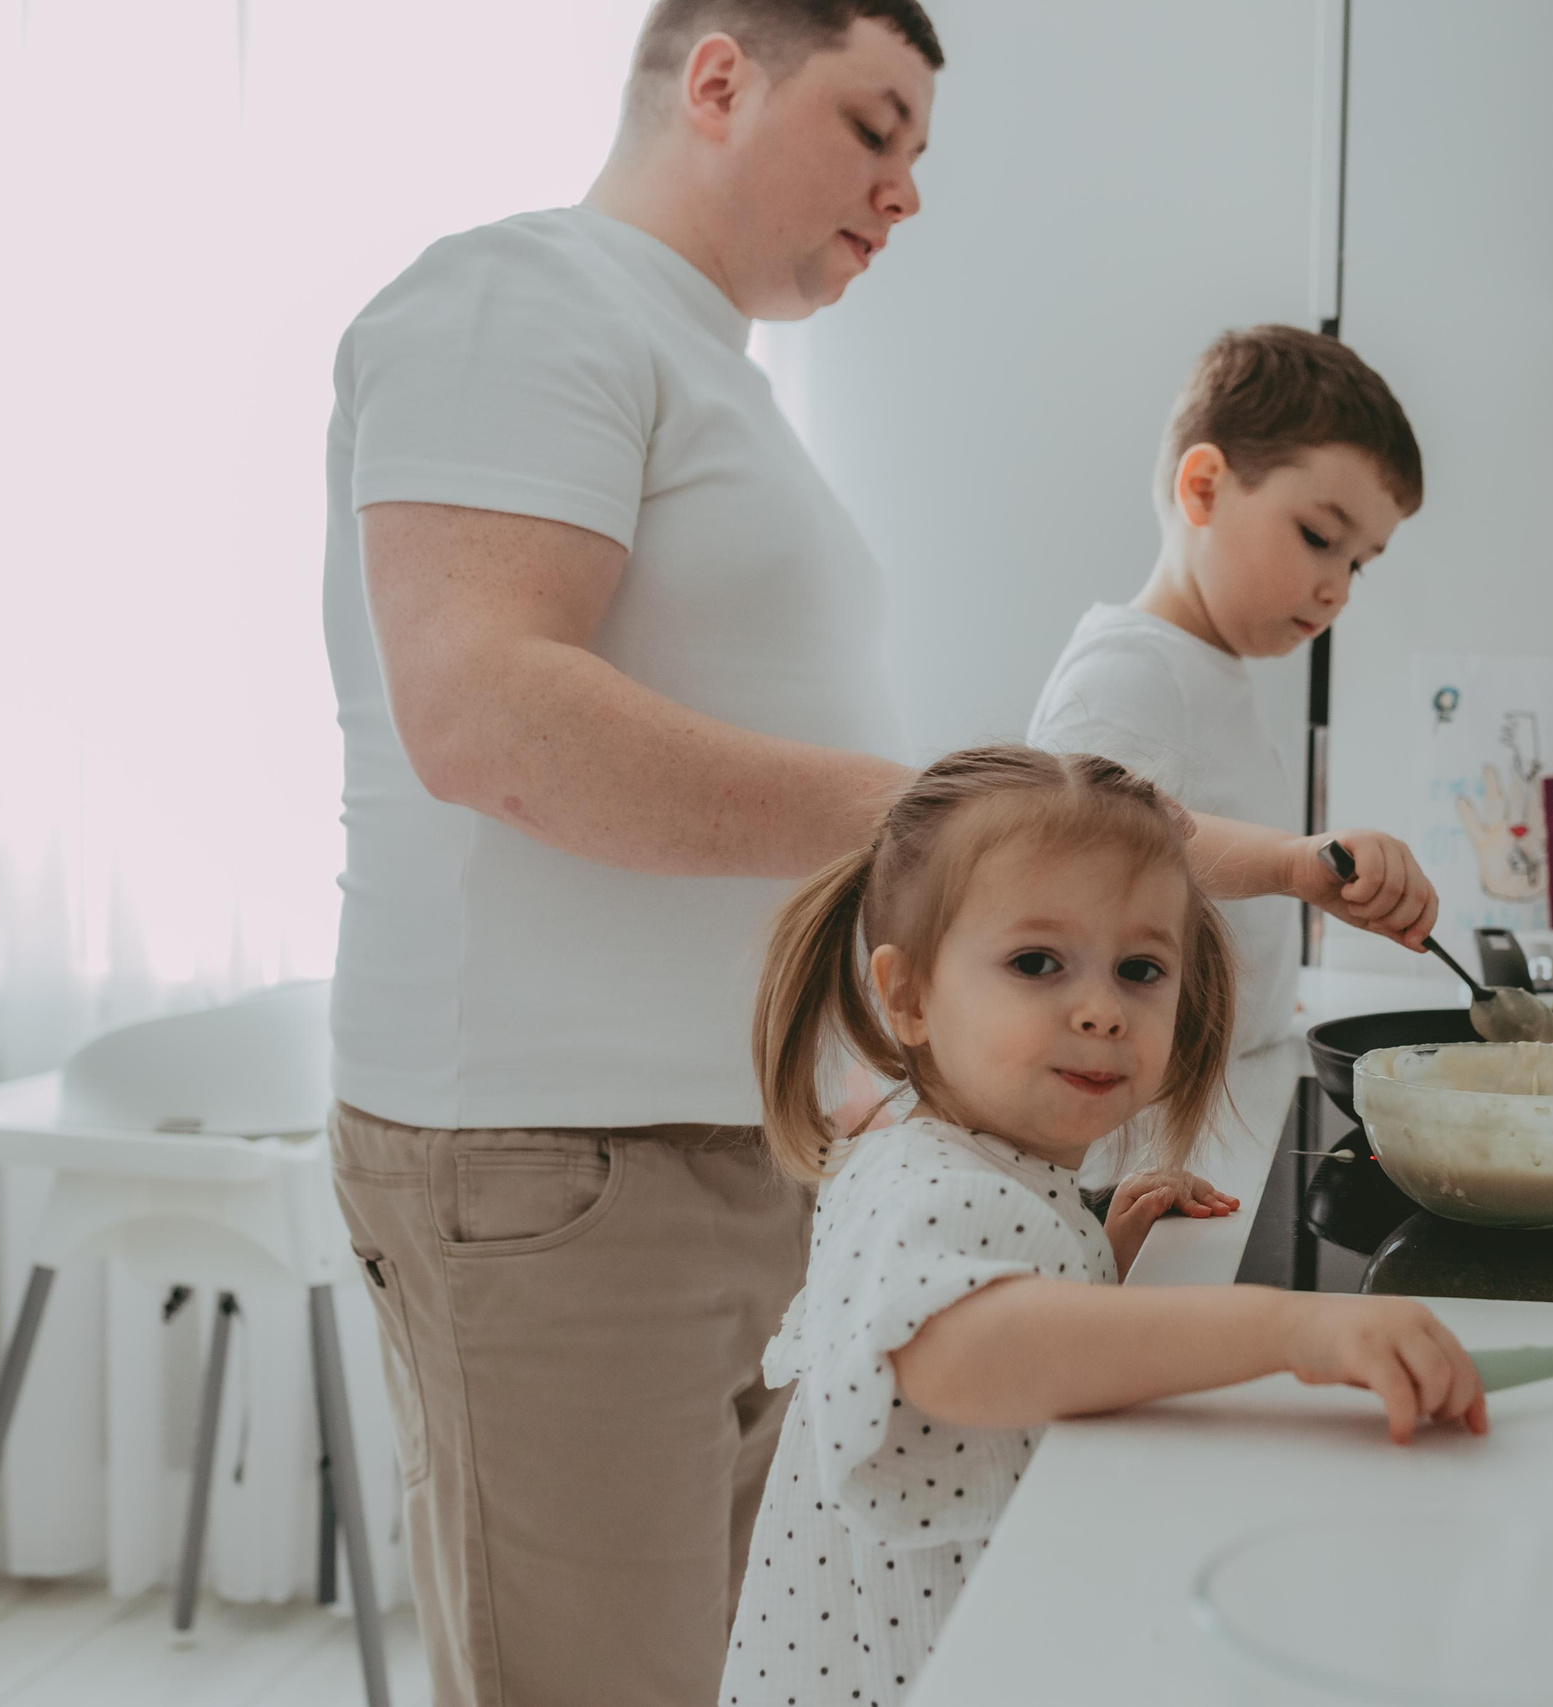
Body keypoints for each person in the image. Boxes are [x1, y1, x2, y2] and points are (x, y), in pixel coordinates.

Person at [317, 4, 1438, 1704]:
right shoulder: (518, 300)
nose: (906, 188)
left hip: (739, 1148)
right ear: (716, 79)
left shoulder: (712, 377)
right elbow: (487, 717)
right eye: (873, 126)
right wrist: (941, 824)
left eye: (918, 153)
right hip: (552, 1160)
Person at [724, 746, 1488, 1706]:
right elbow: (956, 1352)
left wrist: (1098, 1245)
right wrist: (1295, 1329)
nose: (1100, 1010)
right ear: (909, 995)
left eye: (1140, 969)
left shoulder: (962, 1153)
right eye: (1036, 963)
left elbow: (997, 1293)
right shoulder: (923, 1183)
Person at [1028, 326, 1423, 1060]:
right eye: (1317, 535)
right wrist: (1294, 861)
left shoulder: (1211, 671)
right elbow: (1096, 849)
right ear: (1203, 487)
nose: (1337, 588)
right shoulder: (1127, 669)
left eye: (1359, 564)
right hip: (1133, 1127)